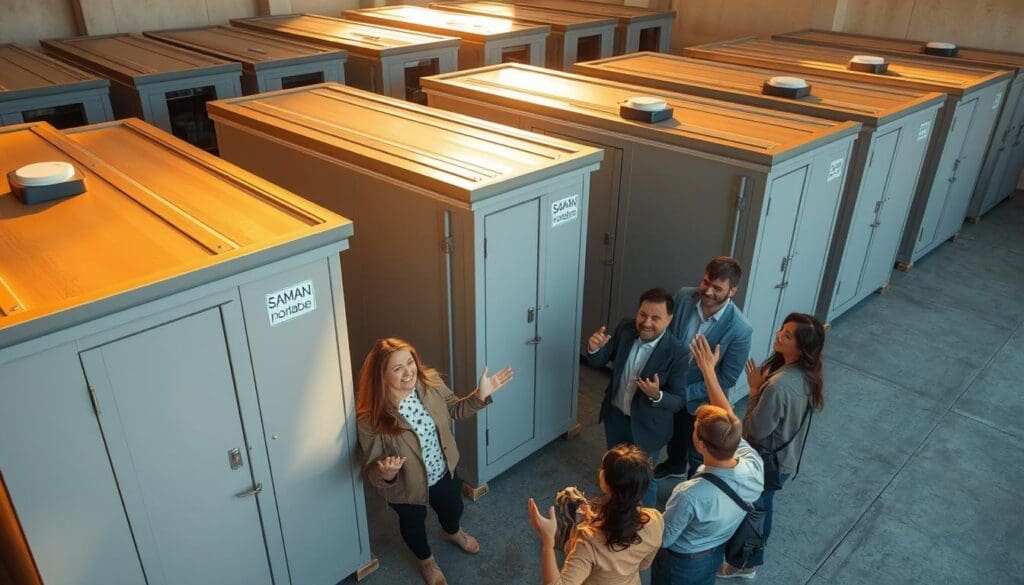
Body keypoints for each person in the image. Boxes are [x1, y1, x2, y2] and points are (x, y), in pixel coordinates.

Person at [356, 338, 514, 585]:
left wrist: (481, 395)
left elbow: (455, 409)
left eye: (410, 362)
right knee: (413, 527)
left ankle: (451, 532)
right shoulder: (370, 419)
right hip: (405, 488)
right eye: (397, 369)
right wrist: (386, 473)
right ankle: (426, 561)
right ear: (381, 376)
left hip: (443, 471)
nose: (409, 372)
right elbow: (372, 470)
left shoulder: (430, 382)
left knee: (454, 509)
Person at [717, 313, 826, 580]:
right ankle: (747, 559)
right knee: (762, 507)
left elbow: (754, 430)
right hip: (785, 459)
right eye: (782, 330)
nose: (779, 335)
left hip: (767, 463)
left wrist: (754, 392)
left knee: (756, 511)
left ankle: (745, 563)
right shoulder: (807, 375)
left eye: (788, 335)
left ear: (801, 348)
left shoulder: (779, 385)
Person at [652, 334, 763, 585]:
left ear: (699, 443)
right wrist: (708, 371)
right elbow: (730, 419)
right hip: (714, 554)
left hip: (681, 564)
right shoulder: (753, 463)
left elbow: (665, 538)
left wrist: (642, 517)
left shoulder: (690, 493)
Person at [586, 288, 688, 506]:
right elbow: (599, 361)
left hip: (648, 428)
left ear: (669, 320)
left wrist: (657, 395)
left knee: (644, 480)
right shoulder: (625, 328)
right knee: (614, 468)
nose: (646, 322)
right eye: (643, 314)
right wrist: (595, 350)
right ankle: (614, 509)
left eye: (655, 318)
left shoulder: (678, 352)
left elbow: (678, 401)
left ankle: (644, 523)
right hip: (615, 417)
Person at [657, 256, 753, 481]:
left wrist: (685, 393)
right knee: (675, 436)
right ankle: (674, 465)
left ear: (733, 291)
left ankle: (693, 484)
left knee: (699, 451)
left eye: (717, 288)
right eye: (706, 282)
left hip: (701, 400)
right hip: (672, 387)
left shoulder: (740, 330)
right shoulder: (682, 297)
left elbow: (726, 379)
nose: (708, 291)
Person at [526, 444, 664, 585]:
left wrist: (548, 541)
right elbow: (644, 564)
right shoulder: (655, 520)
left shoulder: (588, 542)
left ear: (604, 479)